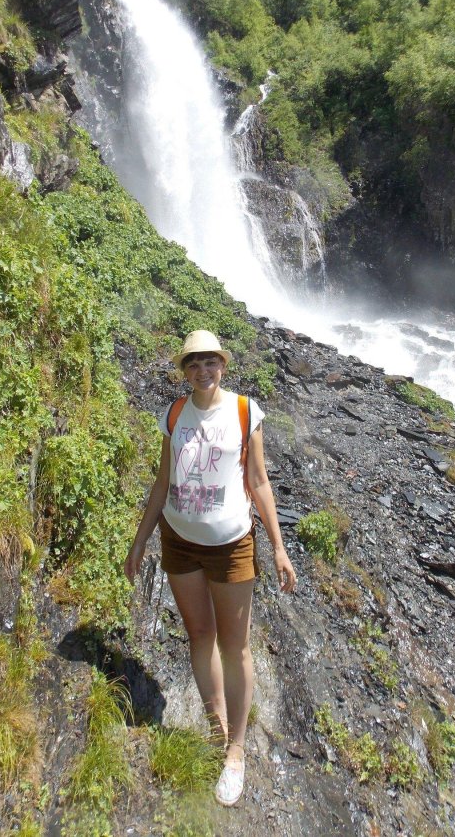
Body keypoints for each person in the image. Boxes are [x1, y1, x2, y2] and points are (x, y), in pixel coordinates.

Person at [124, 329, 297, 807]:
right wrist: (139, 543)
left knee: (234, 645)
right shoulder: (174, 415)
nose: (203, 372)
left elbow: (259, 482)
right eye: (194, 364)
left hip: (231, 546)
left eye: (211, 363)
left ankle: (237, 751)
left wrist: (279, 548)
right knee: (200, 637)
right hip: (179, 543)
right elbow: (163, 483)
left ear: (223, 366)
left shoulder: (245, 412)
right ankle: (215, 725)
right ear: (184, 370)